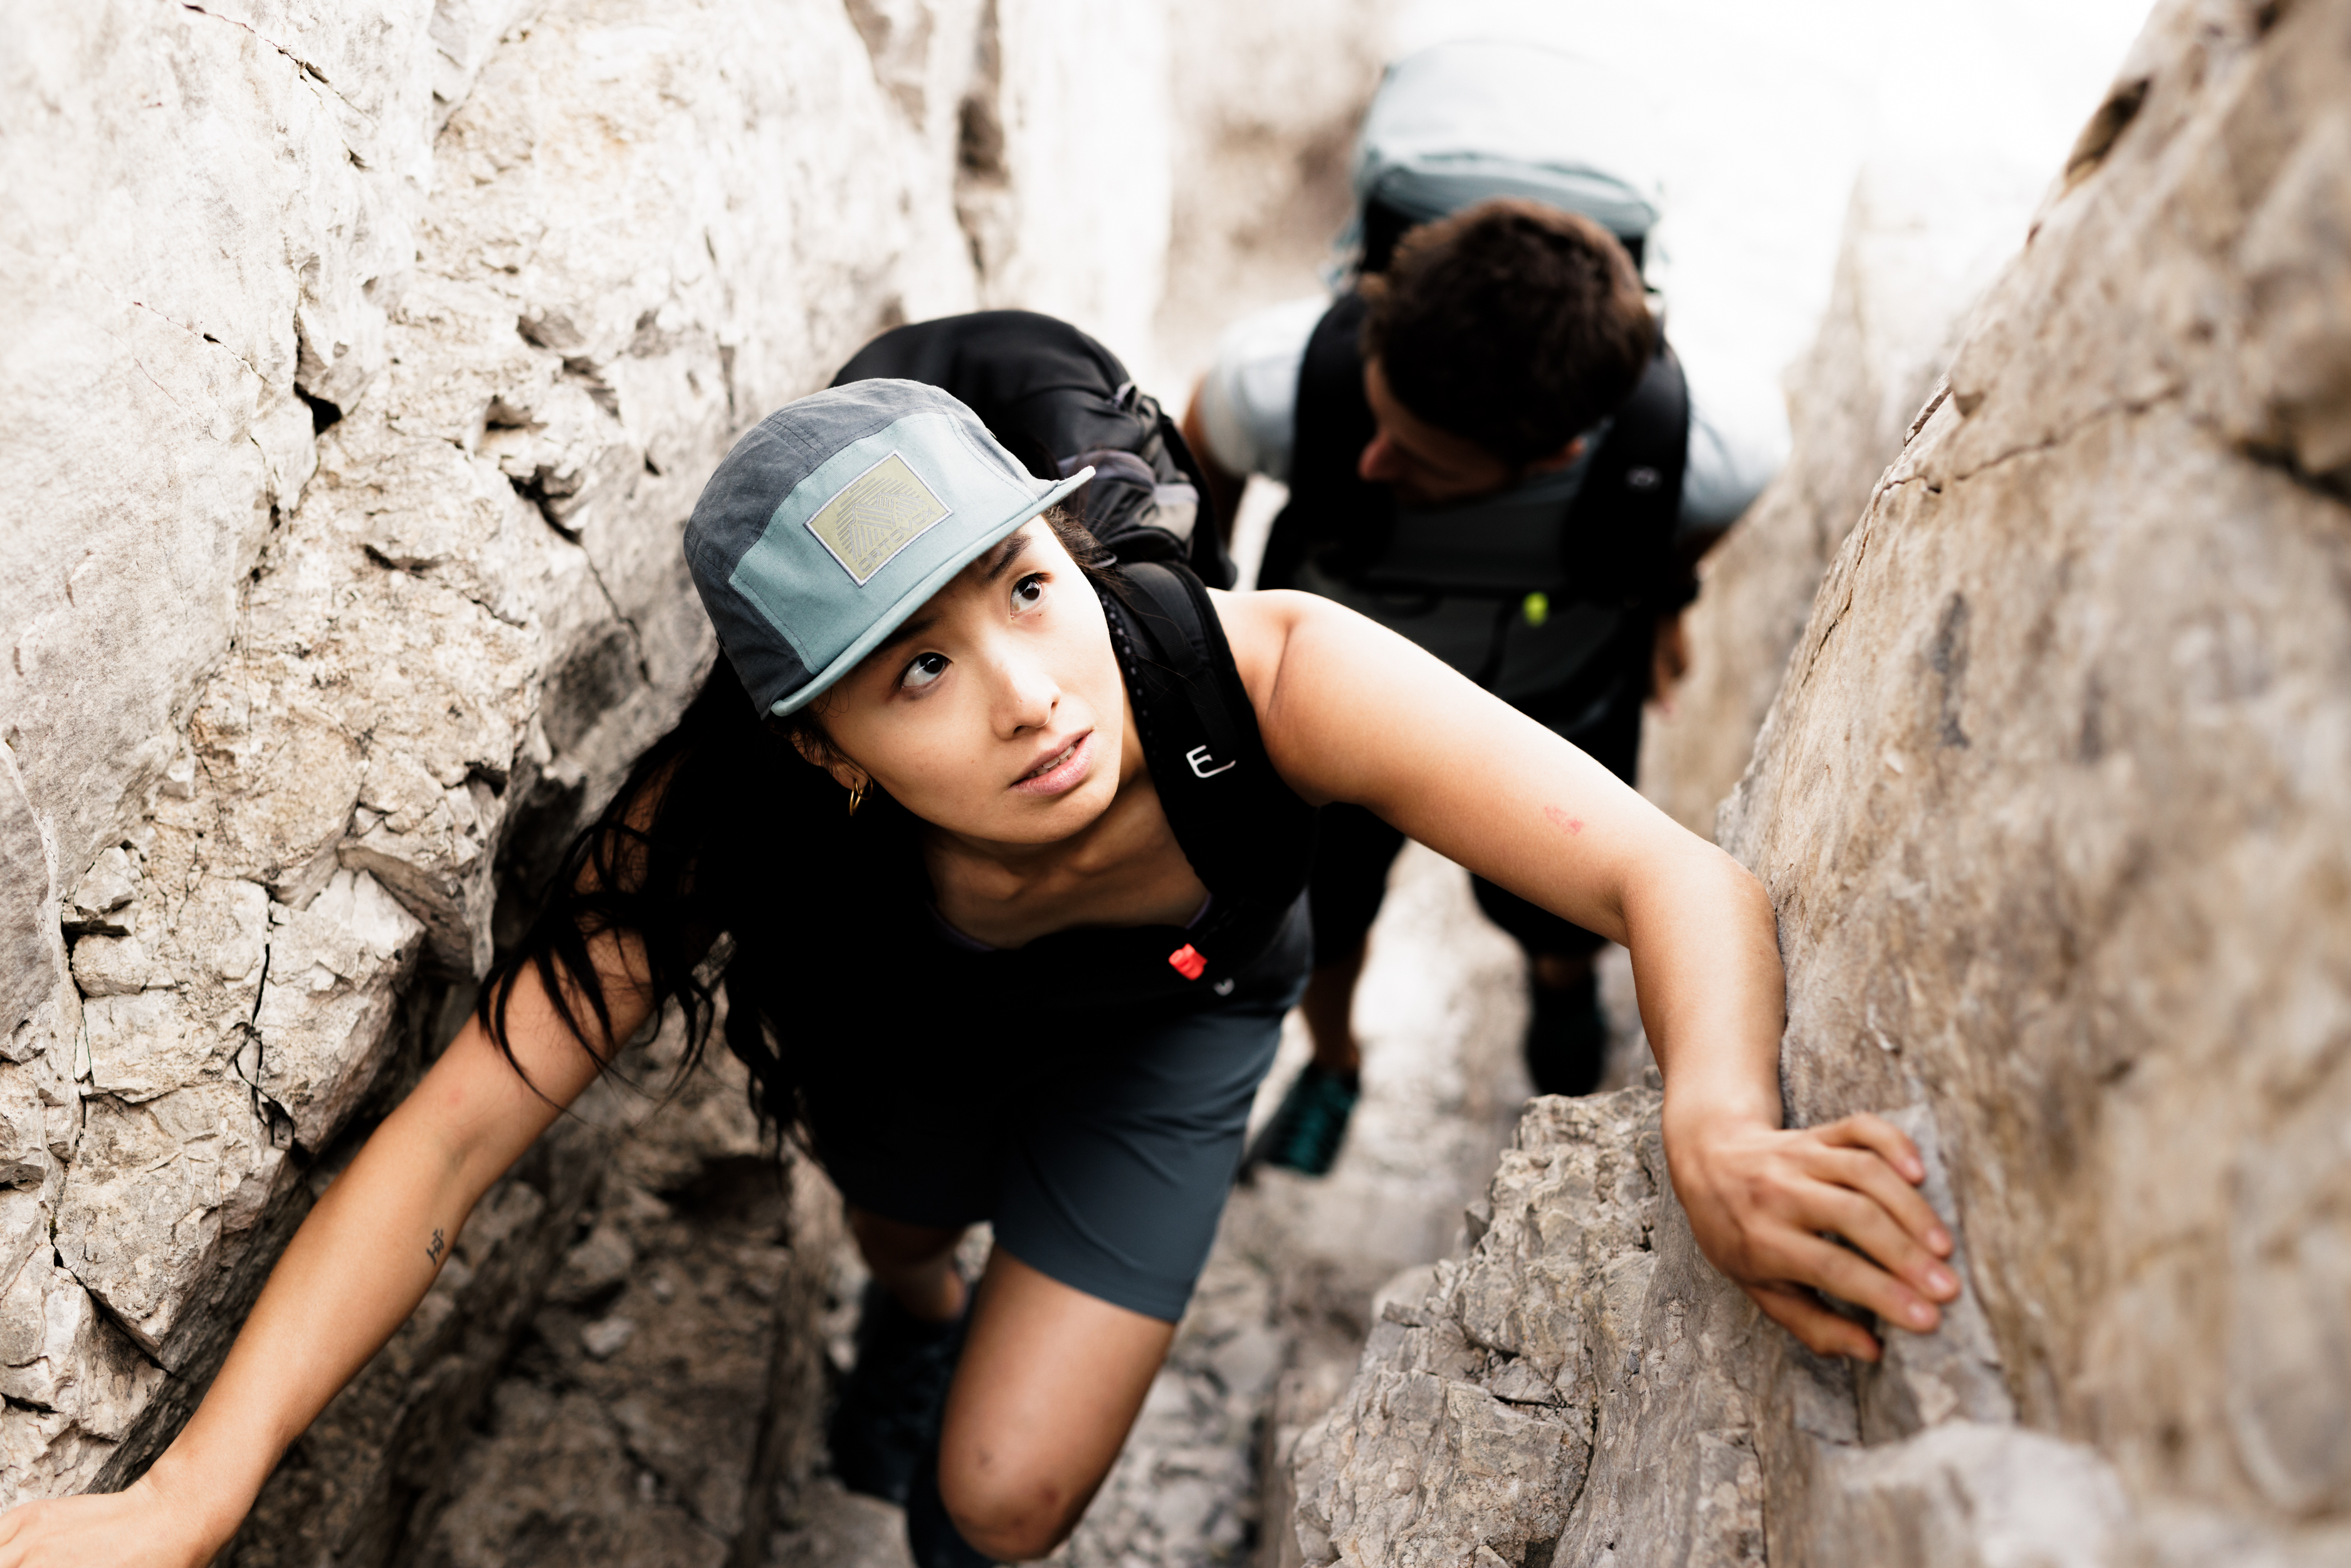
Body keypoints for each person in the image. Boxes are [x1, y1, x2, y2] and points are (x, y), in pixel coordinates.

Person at [0, 376, 1957, 1568]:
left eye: (1025, 590)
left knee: (1008, 1493)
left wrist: (1715, 1121)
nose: (1027, 694)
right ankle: (904, 1306)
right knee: (905, 1213)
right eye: (916, 666)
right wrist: (189, 1492)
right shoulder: (716, 839)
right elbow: (442, 1144)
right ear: (823, 749)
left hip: (1177, 1016)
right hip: (897, 1024)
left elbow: (1657, 866)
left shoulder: (1264, 670)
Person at [1184, 41, 1784, 1176]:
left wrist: (1666, 602)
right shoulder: (1284, 379)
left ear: (1557, 452)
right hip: (1331, 714)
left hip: (1557, 701)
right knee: (1320, 917)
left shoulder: (1696, 445)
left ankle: (1558, 998)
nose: (1367, 462)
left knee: (1562, 914)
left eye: (1417, 459)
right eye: (1374, 419)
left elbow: (1698, 521)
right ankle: (1334, 1062)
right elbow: (1200, 457)